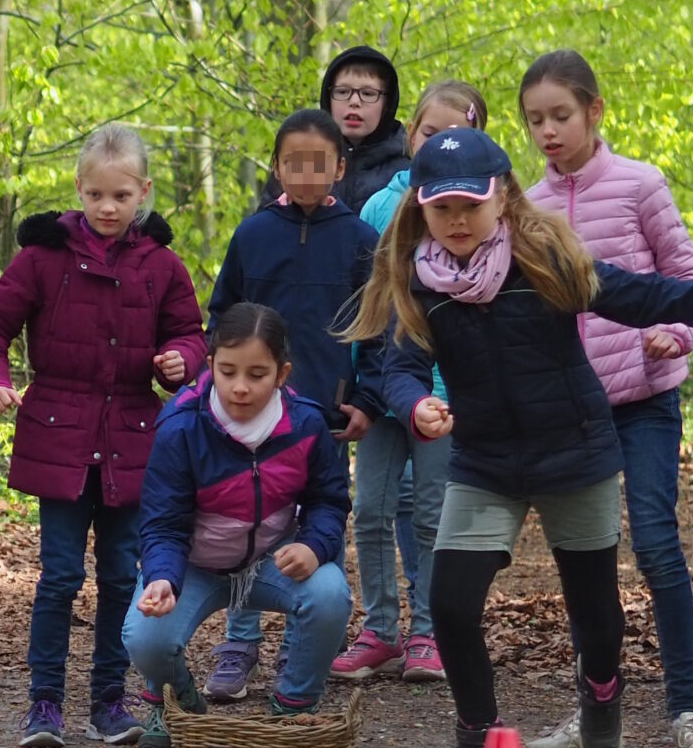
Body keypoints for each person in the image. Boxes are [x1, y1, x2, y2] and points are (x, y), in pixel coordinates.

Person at [343, 128, 693, 748]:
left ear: (502, 198)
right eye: (442, 209)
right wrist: (413, 408)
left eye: (471, 204)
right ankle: (477, 738)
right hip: (484, 463)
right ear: (422, 211)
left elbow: (650, 296)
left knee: (597, 616)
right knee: (452, 603)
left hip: (575, 453)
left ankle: (601, 687)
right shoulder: (421, 282)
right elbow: (402, 367)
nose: (457, 221)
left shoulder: (548, 260)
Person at [0, 121, 208, 748]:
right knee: (60, 575)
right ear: (78, 188)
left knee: (123, 576)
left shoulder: (163, 266)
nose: (106, 207)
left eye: (120, 197)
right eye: (95, 195)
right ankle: (44, 703)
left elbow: (192, 333)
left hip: (134, 435)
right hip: (58, 432)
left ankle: (109, 701)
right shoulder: (43, 258)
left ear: (142, 193)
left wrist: (183, 360)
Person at [511, 50, 693, 748]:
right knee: (585, 565)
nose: (548, 131)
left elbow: (687, 278)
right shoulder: (527, 208)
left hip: (647, 398)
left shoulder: (641, 184)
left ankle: (688, 714)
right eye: (535, 120)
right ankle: (593, 706)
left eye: (560, 116)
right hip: (575, 412)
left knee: (658, 547)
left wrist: (676, 332)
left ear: (594, 111)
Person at [201, 108, 379, 701]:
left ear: (339, 167)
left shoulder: (360, 240)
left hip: (324, 417)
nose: (305, 174)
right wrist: (219, 387)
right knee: (246, 521)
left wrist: (366, 399)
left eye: (318, 163)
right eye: (293, 163)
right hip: (251, 414)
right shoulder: (254, 234)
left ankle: (302, 652)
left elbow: (379, 327)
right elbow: (222, 314)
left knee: (316, 525)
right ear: (276, 167)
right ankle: (239, 639)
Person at [125, 305, 353, 748]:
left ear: (281, 374)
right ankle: (176, 704)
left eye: (257, 374)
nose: (241, 387)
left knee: (329, 595)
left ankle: (294, 708)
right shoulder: (181, 427)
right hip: (193, 566)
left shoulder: (306, 425)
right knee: (145, 635)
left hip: (270, 561)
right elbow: (162, 522)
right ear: (210, 366)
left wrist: (312, 545)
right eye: (227, 372)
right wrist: (162, 579)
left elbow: (329, 501)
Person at [336, 78, 487, 687]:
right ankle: (381, 629)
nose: (440, 143)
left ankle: (428, 632)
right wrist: (353, 386)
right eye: (429, 132)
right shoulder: (379, 208)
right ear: (410, 135)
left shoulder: (477, 212)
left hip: (442, 395)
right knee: (370, 509)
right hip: (378, 389)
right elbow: (365, 303)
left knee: (430, 514)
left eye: (457, 134)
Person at [317, 44, 412, 211]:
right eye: (342, 92)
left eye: (368, 94)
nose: (354, 102)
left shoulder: (407, 172)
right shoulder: (303, 157)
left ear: (386, 105)